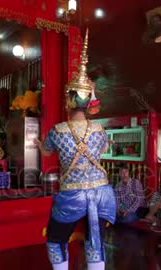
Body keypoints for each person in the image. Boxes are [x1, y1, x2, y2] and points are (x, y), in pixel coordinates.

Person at [35, 30, 116, 270]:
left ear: (69, 100)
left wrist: (40, 145)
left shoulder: (58, 130)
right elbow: (101, 151)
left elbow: (48, 152)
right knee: (95, 241)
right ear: (87, 101)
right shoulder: (99, 129)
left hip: (73, 195)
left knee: (55, 240)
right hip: (102, 193)